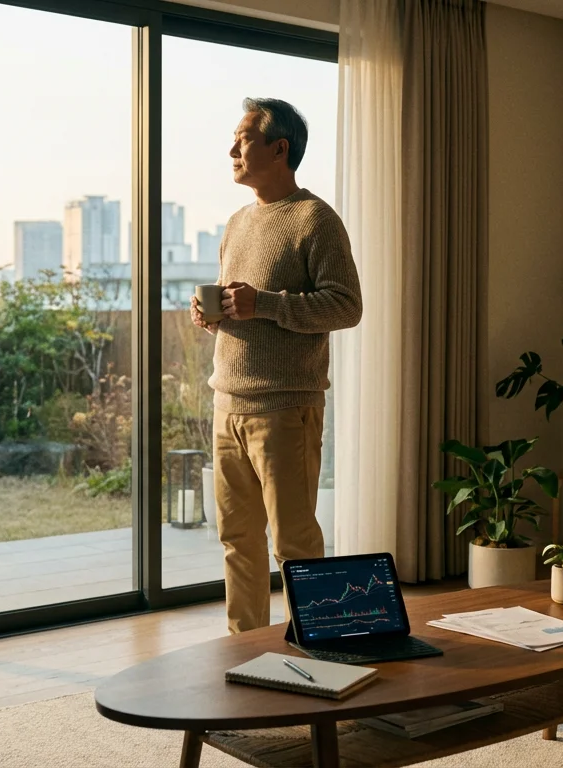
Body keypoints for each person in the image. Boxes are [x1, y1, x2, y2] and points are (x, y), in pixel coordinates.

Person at [191, 97, 362, 634]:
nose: (231, 150)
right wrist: (215, 315)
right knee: (236, 541)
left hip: (286, 409)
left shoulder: (317, 219)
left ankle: (319, 648)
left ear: (279, 148)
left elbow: (346, 306)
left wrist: (264, 302)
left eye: (242, 139)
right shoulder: (238, 222)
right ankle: (245, 651)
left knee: (294, 544)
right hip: (228, 406)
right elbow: (247, 308)